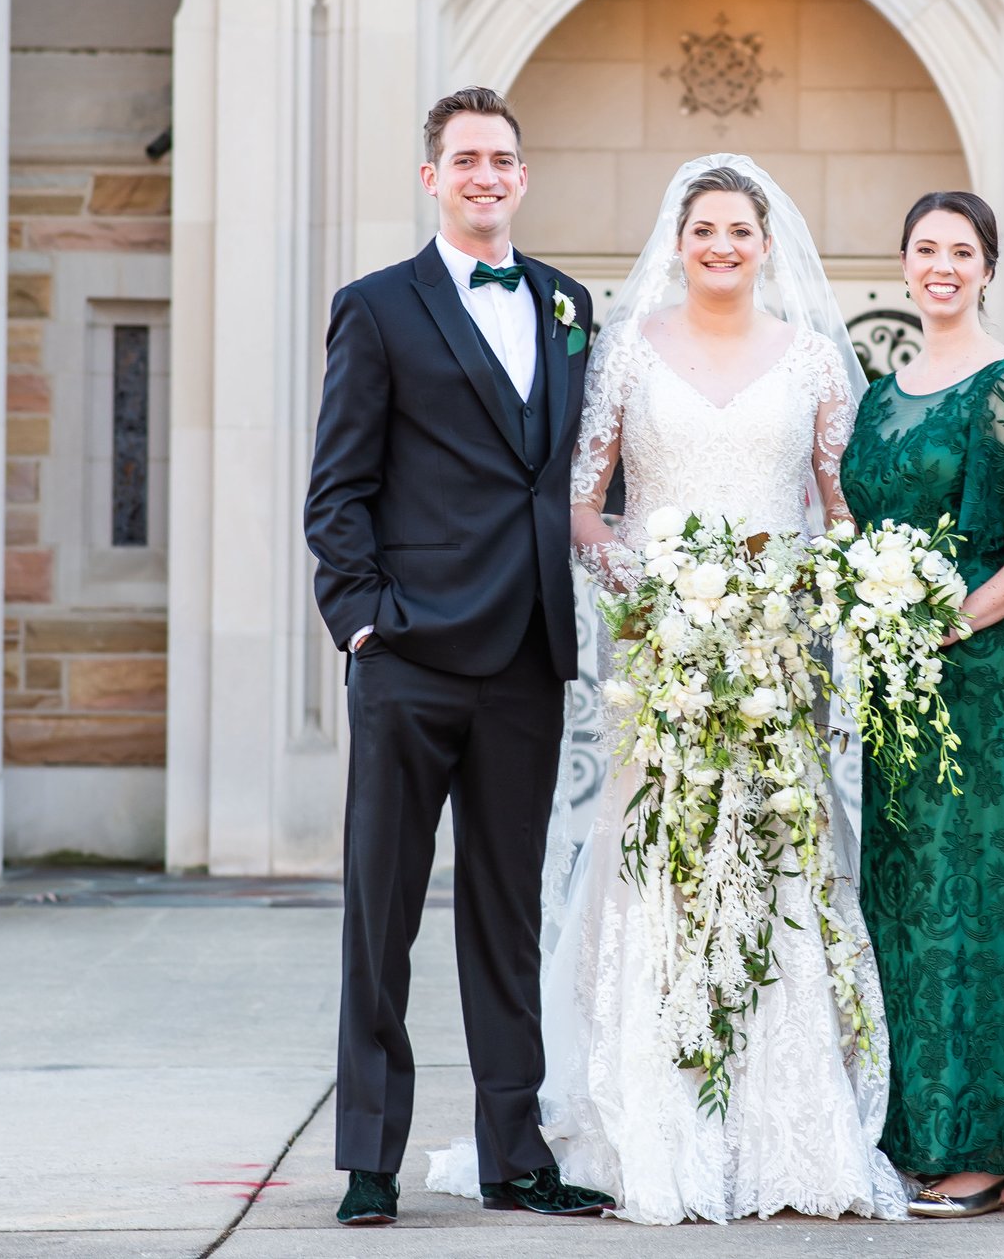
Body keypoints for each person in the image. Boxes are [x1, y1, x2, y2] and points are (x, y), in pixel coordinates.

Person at [426, 155, 907, 1224]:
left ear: (766, 242)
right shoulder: (625, 357)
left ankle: (783, 1132)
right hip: (665, 660)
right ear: (678, 241)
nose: (723, 247)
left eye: (740, 230)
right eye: (704, 231)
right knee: (666, 863)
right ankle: (657, 1118)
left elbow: (837, 508)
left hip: (777, 661)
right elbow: (584, 504)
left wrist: (810, 592)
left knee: (779, 858)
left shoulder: (817, 363)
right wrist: (645, 589)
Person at [303, 87, 613, 1228]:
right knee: (379, 912)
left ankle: (513, 1152)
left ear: (522, 178)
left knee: (505, 913)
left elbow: (586, 470)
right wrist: (364, 617)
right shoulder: (377, 308)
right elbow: (336, 489)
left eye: (503, 159)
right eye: (465, 159)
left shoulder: (572, 304)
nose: (486, 175)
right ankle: (370, 1159)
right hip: (412, 657)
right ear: (431, 177)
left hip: (529, 653)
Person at [838, 191, 1004, 1217]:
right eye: (926, 249)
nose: (942, 265)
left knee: (983, 893)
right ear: (903, 263)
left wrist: (960, 616)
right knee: (903, 892)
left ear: (987, 267)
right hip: (895, 677)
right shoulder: (877, 394)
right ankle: (917, 1128)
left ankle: (990, 1144)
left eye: (961, 251)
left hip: (982, 679)